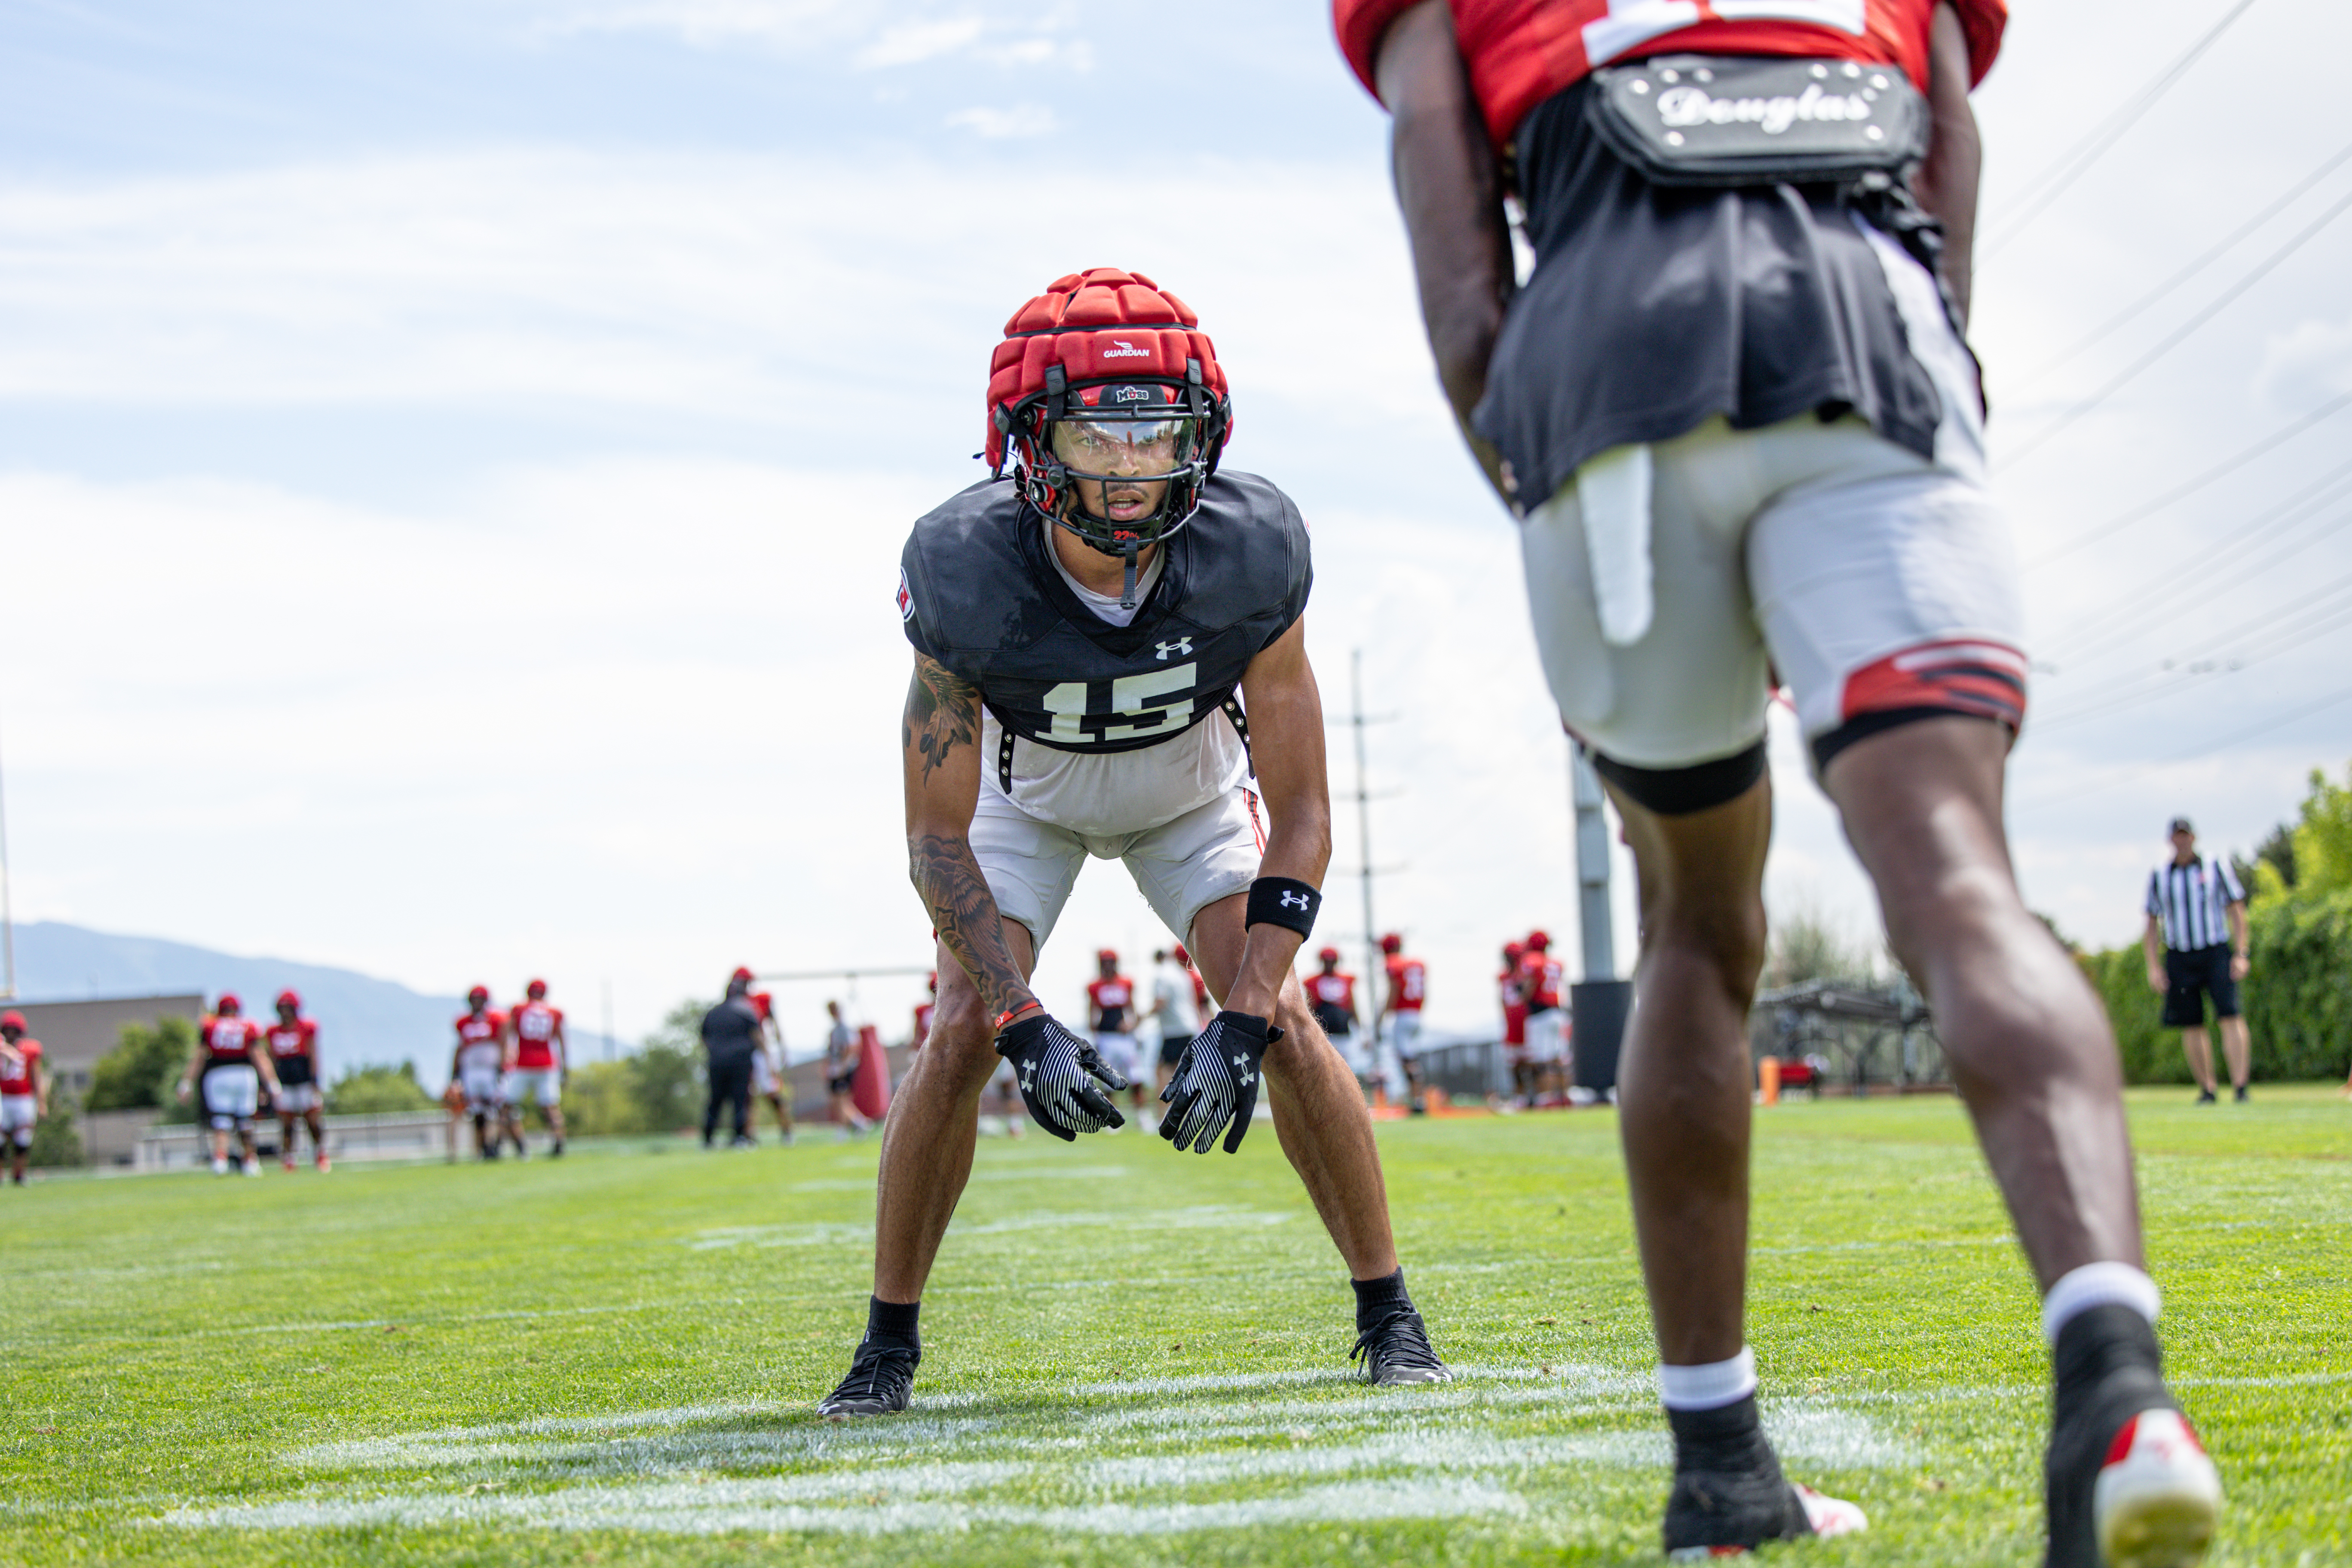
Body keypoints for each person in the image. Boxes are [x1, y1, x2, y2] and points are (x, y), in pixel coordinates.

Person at [1346, 0, 2223, 1559]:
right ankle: (2115, 1379)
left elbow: (1453, 247)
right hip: (1868, 333)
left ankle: (1718, 1468)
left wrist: (1537, 471)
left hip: (1603, 370)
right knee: (1954, 871)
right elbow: (1948, 150)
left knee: (1698, 921)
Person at [818, 268, 1446, 1419]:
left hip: (1191, 795)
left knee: (1290, 1019)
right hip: (1026, 801)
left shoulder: (1252, 552)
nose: (1128, 467)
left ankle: (1387, 1312)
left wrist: (1245, 1015)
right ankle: (885, 1347)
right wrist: (1018, 1017)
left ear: (1201, 437)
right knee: (958, 1021)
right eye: (1094, 435)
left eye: (1156, 434)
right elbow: (935, 839)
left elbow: (1302, 815)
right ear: (1028, 440)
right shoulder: (961, 571)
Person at [2143, 819, 2251, 1105]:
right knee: (2191, 1023)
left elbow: (2237, 909)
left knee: (2230, 1015)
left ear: (2193, 837)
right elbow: (2151, 924)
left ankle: (2240, 1086)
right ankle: (2208, 1088)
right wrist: (2154, 966)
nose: (2182, 841)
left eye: (2185, 836)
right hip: (2179, 954)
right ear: (2170, 840)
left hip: (2215, 950)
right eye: (2176, 836)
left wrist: (2241, 953)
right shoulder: (2160, 875)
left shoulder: (2215, 866)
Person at [178, 993, 281, 1176]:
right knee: (246, 1121)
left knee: (221, 1122)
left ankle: (220, 1160)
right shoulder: (248, 1026)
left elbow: (199, 1056)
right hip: (244, 1075)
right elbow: (260, 1057)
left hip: (218, 1076)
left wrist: (186, 1083)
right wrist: (272, 1083)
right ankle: (250, 1161)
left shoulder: (210, 1025)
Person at [503, 979, 569, 1157]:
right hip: (548, 1063)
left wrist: (505, 1058)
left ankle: (521, 1146)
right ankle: (559, 1141)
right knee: (551, 1107)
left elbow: (507, 1033)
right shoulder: (553, 1012)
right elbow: (561, 1040)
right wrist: (565, 1066)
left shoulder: (519, 1009)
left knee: (507, 1107)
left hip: (523, 1063)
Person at [264, 990, 328, 1173]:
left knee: (312, 1120)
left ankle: (320, 1153)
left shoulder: (306, 1028)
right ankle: (289, 1158)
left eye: (288, 1008)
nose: (285, 1012)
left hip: (304, 1080)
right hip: (284, 1082)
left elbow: (313, 1054)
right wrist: (269, 1084)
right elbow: (271, 1058)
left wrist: (316, 1080)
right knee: (286, 1123)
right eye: (282, 1008)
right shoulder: (273, 1031)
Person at [701, 968, 763, 1148]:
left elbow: (704, 1037)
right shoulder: (746, 1011)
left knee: (716, 1100)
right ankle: (739, 1138)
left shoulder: (713, 1013)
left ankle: (707, 1139)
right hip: (740, 1062)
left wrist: (716, 1052)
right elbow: (757, 1036)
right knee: (740, 1099)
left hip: (717, 1062)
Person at [1085, 949, 1147, 1120]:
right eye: (1104, 962)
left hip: (1125, 1038)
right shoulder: (1095, 986)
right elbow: (1092, 1012)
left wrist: (1133, 1026)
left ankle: (1142, 1116)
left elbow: (1132, 1008)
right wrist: (1094, 1037)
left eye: (1110, 962)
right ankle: (1112, 1117)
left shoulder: (1125, 982)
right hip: (1106, 1036)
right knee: (1108, 1079)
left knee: (1136, 1077)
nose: (1107, 966)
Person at [448, 986, 506, 1161]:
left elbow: (503, 1044)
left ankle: (496, 1144)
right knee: (477, 1112)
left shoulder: (496, 1020)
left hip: (490, 1070)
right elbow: (459, 1048)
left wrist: (501, 1066)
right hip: (471, 1071)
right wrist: (455, 1072)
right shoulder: (463, 1022)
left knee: (497, 1109)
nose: (477, 1002)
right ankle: (482, 1148)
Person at [1305, 947, 1371, 1097]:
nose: (1329, 964)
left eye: (1332, 960)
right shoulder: (1312, 981)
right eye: (1326, 961)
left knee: (1347, 1067)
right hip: (1324, 1033)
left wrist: (1361, 1031)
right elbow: (1310, 1008)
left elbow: (1352, 1006)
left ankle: (1348, 1096)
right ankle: (1327, 1096)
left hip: (1343, 1032)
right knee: (1325, 1067)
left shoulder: (1346, 979)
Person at [1379, 933, 1430, 1112]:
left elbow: (1394, 991)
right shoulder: (1416, 964)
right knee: (1410, 1058)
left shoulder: (1394, 963)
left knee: (1408, 1060)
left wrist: (1381, 1017)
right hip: (1416, 1014)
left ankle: (1418, 1100)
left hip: (1403, 1016)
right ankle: (1416, 1098)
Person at [1520, 930, 1569, 1104]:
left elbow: (1531, 985)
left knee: (1542, 1060)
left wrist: (1523, 996)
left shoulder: (1532, 961)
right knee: (1559, 1058)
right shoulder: (1556, 963)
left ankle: (1545, 1099)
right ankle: (1564, 1097)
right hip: (1558, 1011)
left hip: (1540, 1013)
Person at [0, 1012, 47, 1186]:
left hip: (24, 1100)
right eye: (8, 1030)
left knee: (23, 1141)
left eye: (14, 1030)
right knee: (0, 1141)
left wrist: (42, 1103)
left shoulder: (30, 1050)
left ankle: (19, 1176)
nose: (11, 1033)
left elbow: (37, 1077)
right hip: (3, 1098)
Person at [1151, 946, 1203, 1101]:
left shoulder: (1162, 975)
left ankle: (1166, 1110)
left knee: (1163, 1071)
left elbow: (1161, 1001)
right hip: (1190, 1026)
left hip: (1175, 1030)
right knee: (1181, 1071)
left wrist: (1141, 1018)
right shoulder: (1183, 975)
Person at [750, 986, 795, 1143]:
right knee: (751, 1098)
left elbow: (771, 1031)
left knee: (773, 1097)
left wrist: (774, 1056)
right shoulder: (753, 1011)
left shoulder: (759, 1011)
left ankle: (787, 1131)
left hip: (764, 1056)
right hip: (761, 1056)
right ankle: (751, 1134)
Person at [823, 999, 870, 1138]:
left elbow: (852, 1048)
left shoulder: (845, 1028)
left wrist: (843, 1067)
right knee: (837, 1100)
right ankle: (860, 1123)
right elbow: (831, 1051)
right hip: (836, 1068)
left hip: (844, 1069)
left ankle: (843, 1130)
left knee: (842, 1100)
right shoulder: (835, 1030)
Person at [1498, 940, 1531, 1105]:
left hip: (1526, 1023)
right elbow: (1502, 1000)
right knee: (1515, 1064)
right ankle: (1520, 1097)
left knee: (1532, 1062)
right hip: (1511, 1023)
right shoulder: (1503, 976)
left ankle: (1537, 1096)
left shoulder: (1525, 973)